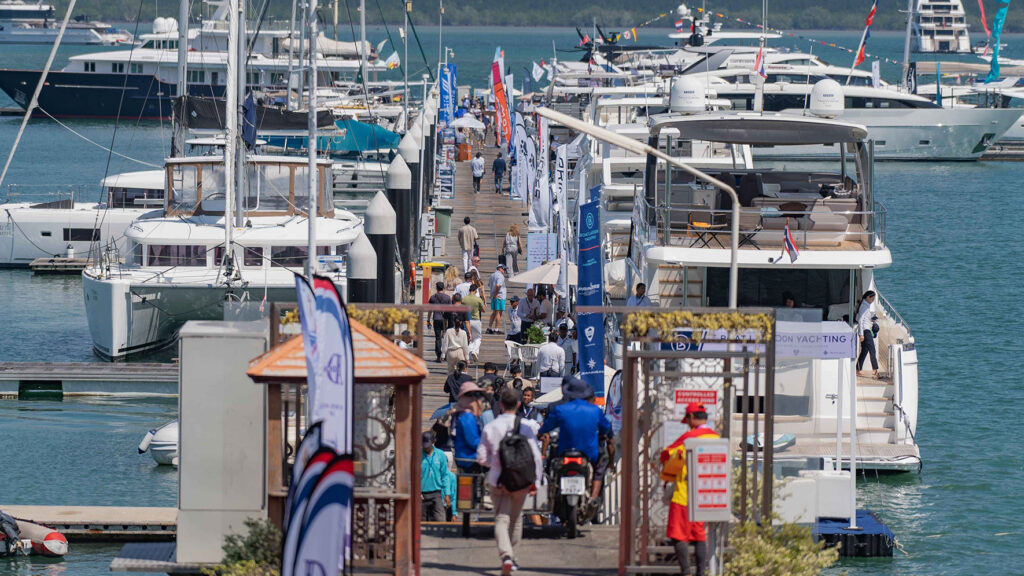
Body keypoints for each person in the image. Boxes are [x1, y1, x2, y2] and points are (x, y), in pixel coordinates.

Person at [476, 388, 543, 576]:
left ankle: (505, 556)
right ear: (519, 404)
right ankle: (512, 558)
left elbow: (481, 458)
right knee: (516, 518)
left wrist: (496, 464)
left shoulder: (491, 427)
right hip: (522, 481)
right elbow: (536, 457)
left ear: (501, 405)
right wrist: (535, 482)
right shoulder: (528, 426)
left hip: (498, 480)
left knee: (501, 518)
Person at [660, 403, 720, 576]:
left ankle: (686, 572)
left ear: (692, 418)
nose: (687, 423)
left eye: (687, 420)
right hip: (706, 496)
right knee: (700, 536)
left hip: (684, 495)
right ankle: (701, 573)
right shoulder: (716, 437)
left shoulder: (688, 437)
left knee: (678, 536)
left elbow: (666, 454)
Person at [538, 377, 613, 513]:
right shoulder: (594, 410)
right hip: (589, 454)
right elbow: (607, 429)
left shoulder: (560, 409)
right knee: (600, 468)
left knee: (550, 467)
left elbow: (545, 428)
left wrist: (540, 433)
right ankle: (594, 497)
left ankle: (551, 492)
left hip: (564, 452)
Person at [421, 430, 454, 522]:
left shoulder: (440, 455)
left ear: (433, 442)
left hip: (437, 493)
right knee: (421, 522)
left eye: (428, 445)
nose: (425, 448)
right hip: (422, 494)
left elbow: (445, 476)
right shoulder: (418, 455)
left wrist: (447, 494)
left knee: (441, 519)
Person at [453, 382, 486, 472]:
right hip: (470, 458)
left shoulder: (468, 415)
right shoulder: (467, 417)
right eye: (473, 395)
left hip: (467, 457)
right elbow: (472, 441)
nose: (477, 398)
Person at [856, 290, 880, 378]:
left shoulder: (866, 305)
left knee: (864, 351)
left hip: (866, 330)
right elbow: (860, 320)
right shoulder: (864, 307)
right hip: (865, 331)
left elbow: (863, 318)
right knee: (872, 350)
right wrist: (861, 334)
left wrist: (872, 319)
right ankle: (875, 370)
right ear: (867, 297)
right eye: (872, 298)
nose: (873, 300)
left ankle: (858, 369)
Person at [428, 282, 452, 362]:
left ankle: (439, 356)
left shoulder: (432, 298)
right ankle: (445, 356)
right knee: (446, 338)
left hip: (436, 319)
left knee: (438, 338)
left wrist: (428, 320)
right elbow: (450, 311)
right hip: (446, 320)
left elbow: (430, 310)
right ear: (443, 288)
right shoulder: (448, 298)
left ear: (436, 288)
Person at [462, 284, 486, 362]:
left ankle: (469, 352)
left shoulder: (464, 299)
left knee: (470, 337)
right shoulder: (478, 299)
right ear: (475, 290)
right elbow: (483, 310)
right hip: (476, 320)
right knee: (478, 337)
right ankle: (475, 351)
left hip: (467, 320)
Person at [487, 264, 508, 334]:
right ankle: (496, 329)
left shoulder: (492, 275)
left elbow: (489, 285)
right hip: (499, 296)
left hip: (493, 296)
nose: (505, 271)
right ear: (500, 268)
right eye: (504, 269)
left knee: (494, 312)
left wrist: (494, 294)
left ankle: (489, 328)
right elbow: (498, 285)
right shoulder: (500, 276)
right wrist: (496, 294)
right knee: (499, 313)